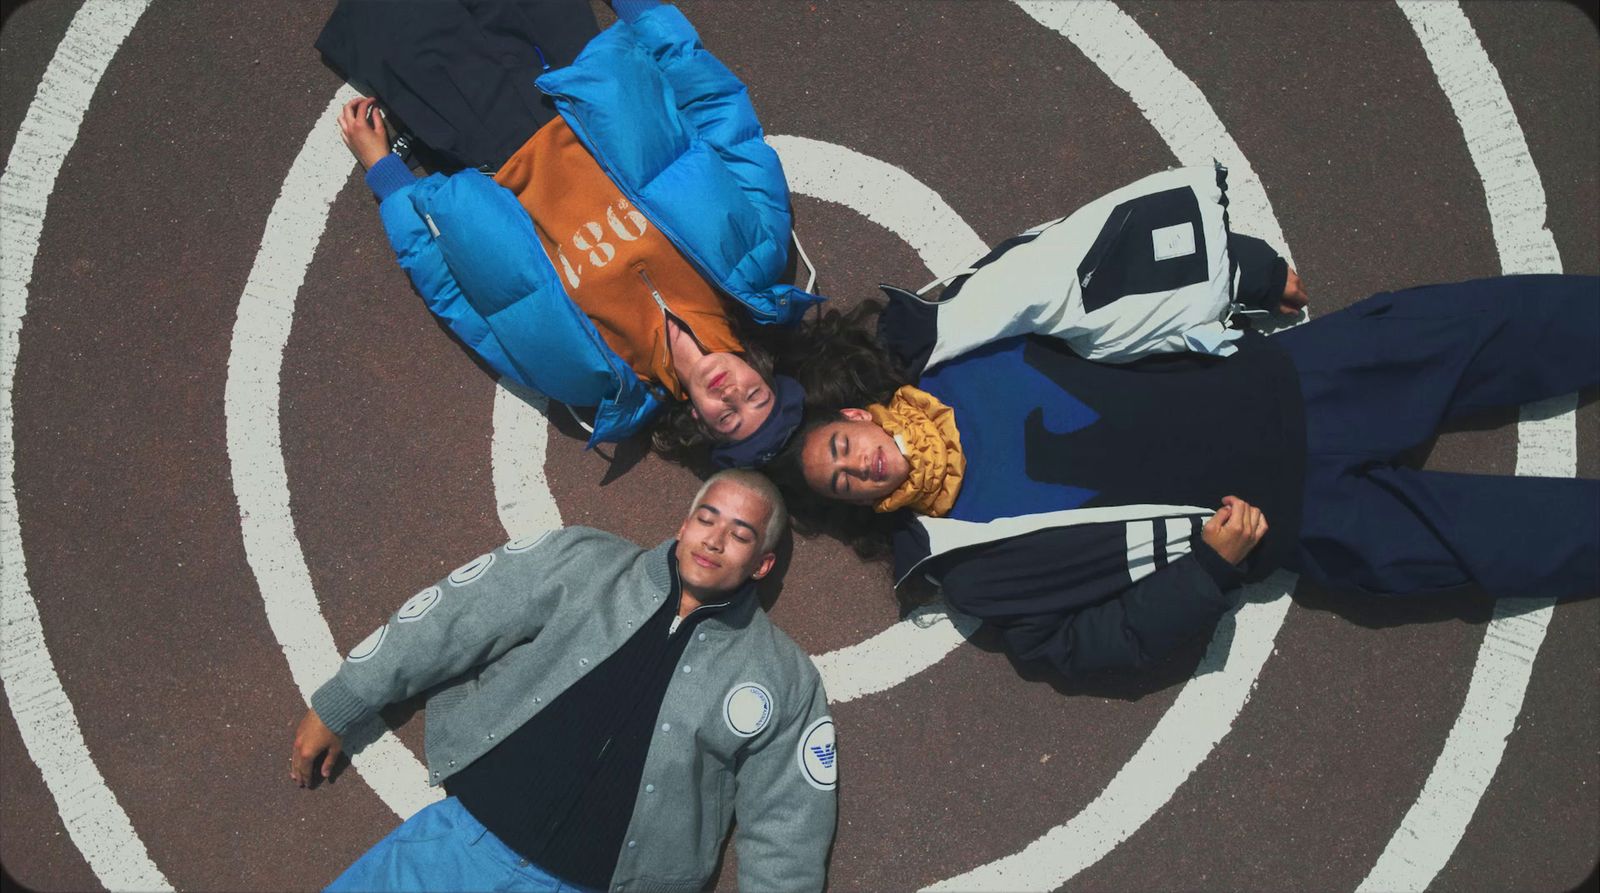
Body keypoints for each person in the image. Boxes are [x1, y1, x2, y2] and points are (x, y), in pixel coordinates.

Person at [767, 163, 1599, 678]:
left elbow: (1078, 265)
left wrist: (1240, 268)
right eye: (843, 481)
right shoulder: (972, 572)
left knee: (1493, 327)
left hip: (1297, 379)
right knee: (1509, 537)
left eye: (843, 447)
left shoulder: (955, 342)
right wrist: (1206, 573)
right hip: (1296, 521)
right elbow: (1093, 646)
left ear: (856, 413)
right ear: (860, 503)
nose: (858, 465)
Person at [288, 470, 837, 892]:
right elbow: (454, 618)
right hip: (457, 844)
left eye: (739, 535)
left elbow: (789, 828)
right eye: (707, 518)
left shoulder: (782, 678)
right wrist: (346, 701)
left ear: (762, 565)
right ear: (684, 524)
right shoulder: (583, 563)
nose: (714, 540)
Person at [326, 0, 818, 452]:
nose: (731, 395)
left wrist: (386, 175)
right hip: (578, 70)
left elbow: (458, 302)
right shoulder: (759, 250)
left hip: (481, 136)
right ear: (760, 369)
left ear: (700, 421)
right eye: (754, 394)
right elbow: (722, 115)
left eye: (729, 418)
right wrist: (644, 12)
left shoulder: (586, 375)